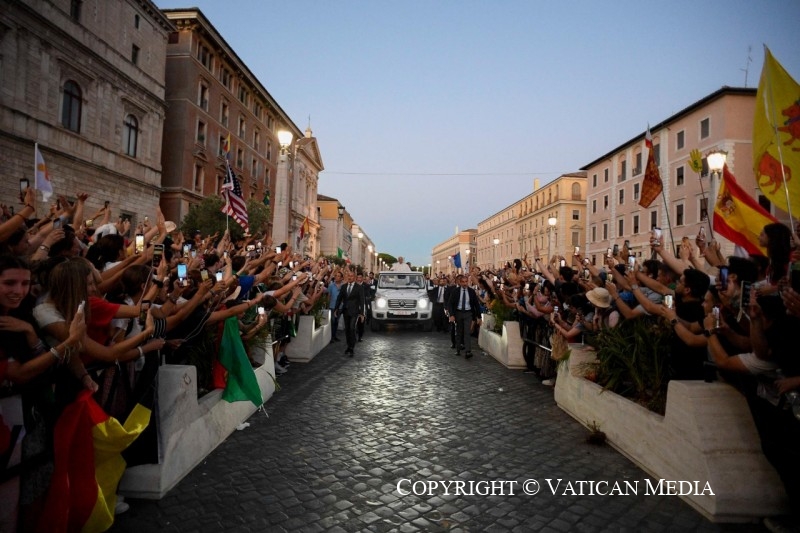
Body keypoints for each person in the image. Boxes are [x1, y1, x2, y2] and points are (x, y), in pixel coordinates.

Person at [447, 274, 482, 358]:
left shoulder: (471, 292)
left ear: (468, 282)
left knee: (467, 332)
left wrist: (479, 317)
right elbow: (450, 304)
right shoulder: (455, 291)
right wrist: (451, 315)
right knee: (459, 331)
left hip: (468, 313)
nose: (464, 284)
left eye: (466, 282)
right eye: (463, 282)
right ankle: (458, 349)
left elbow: (476, 304)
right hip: (458, 313)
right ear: (460, 282)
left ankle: (468, 351)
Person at [334, 270, 365, 356]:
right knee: (347, 330)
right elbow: (339, 298)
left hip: (354, 311)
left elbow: (362, 301)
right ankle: (349, 346)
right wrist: (336, 309)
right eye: (348, 276)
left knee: (352, 328)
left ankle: (352, 347)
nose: (350, 277)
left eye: (351, 276)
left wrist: (362, 313)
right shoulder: (343, 287)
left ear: (354, 277)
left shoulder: (359, 287)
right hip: (345, 311)